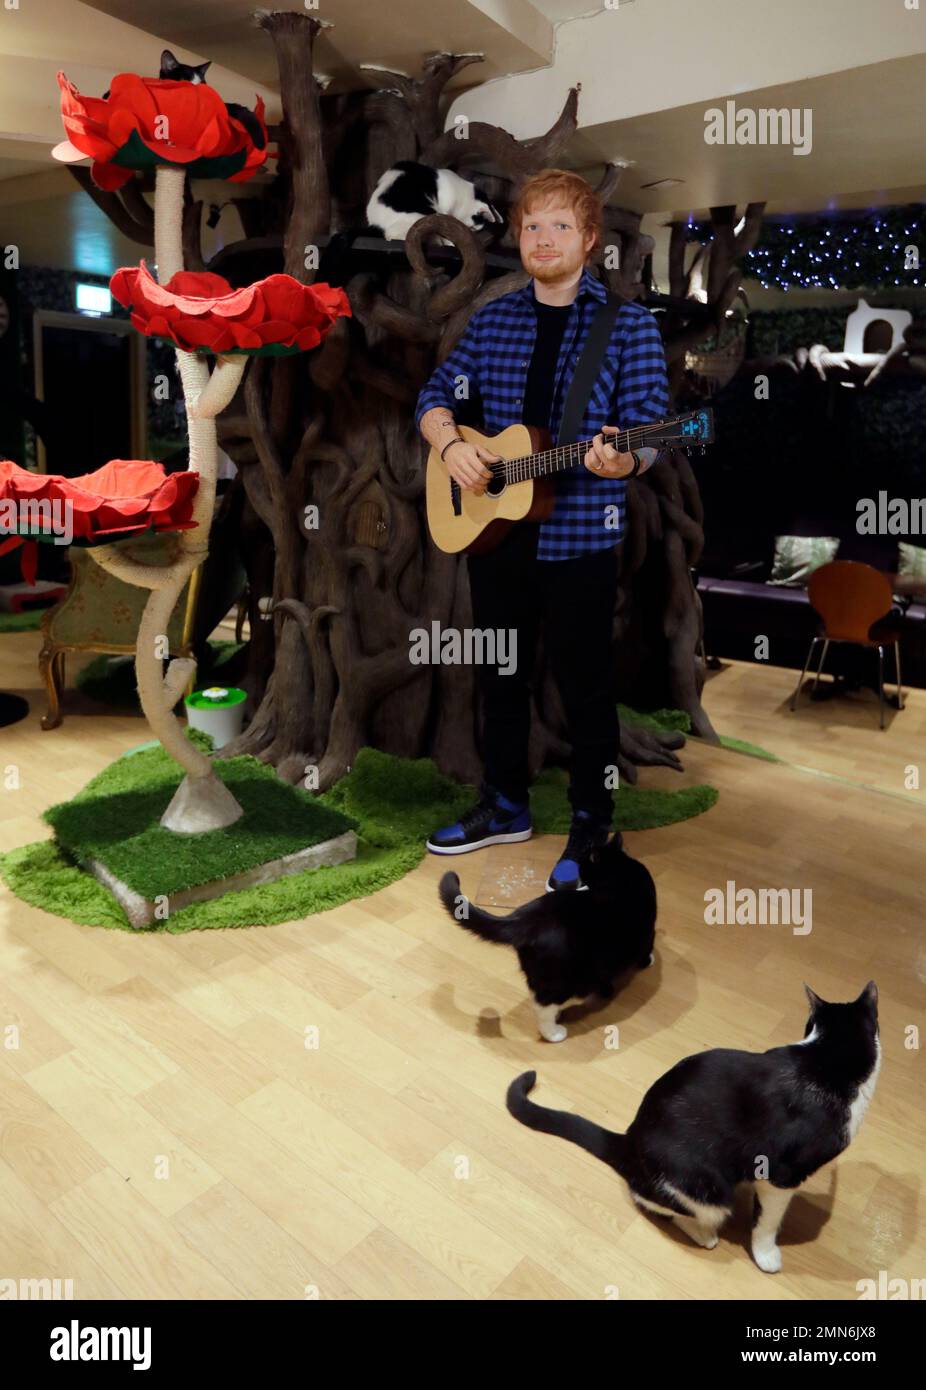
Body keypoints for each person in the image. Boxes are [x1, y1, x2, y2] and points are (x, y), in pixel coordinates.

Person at [415, 168, 669, 890]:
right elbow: (438, 394)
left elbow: (650, 432)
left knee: (586, 686)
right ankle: (505, 805)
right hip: (495, 537)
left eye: (560, 226)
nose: (543, 238)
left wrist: (624, 460)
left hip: (580, 537)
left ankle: (592, 823)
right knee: (500, 674)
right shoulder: (493, 319)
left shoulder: (629, 327)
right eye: (532, 226)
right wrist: (451, 443)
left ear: (589, 240)